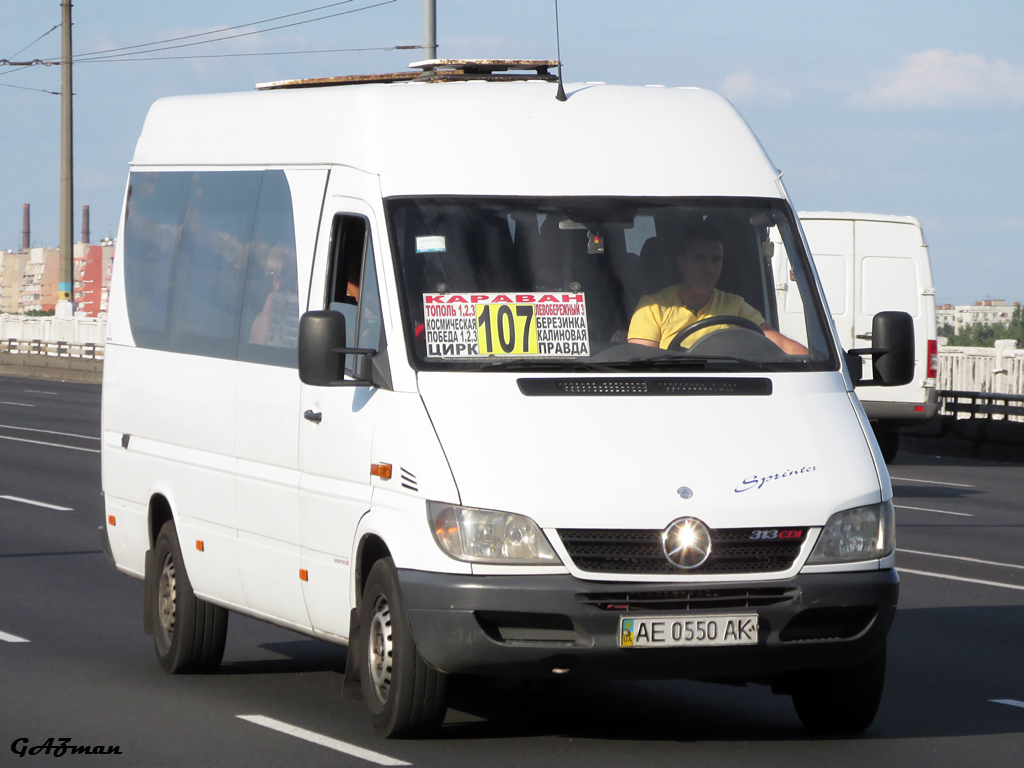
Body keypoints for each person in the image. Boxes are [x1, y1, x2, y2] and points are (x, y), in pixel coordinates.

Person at [627, 224, 808, 355]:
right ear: (682, 263)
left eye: (716, 259)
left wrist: (819, 365)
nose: (709, 268)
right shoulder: (653, 307)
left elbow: (782, 346)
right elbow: (640, 367)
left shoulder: (736, 306)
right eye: (700, 258)